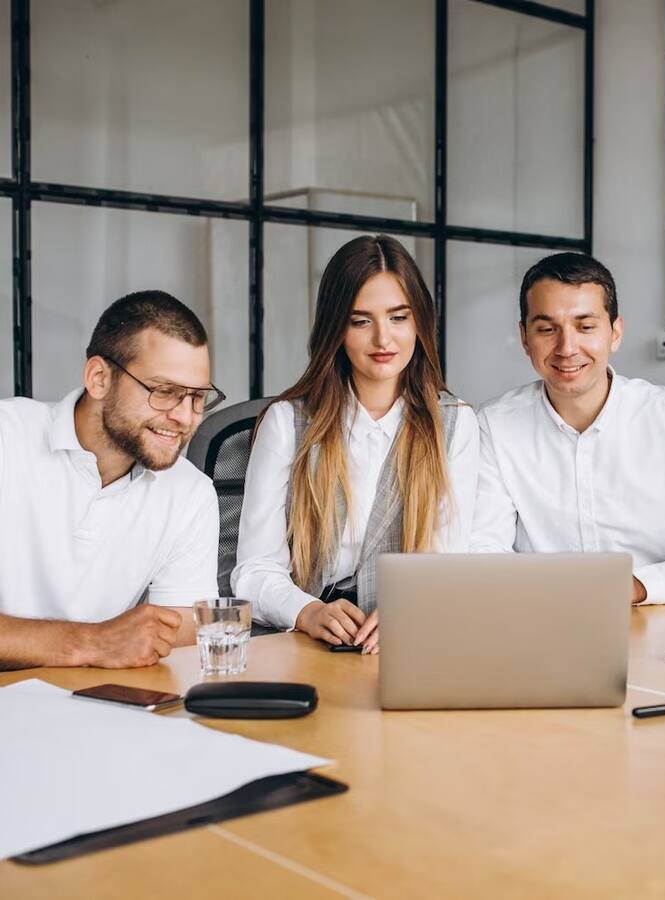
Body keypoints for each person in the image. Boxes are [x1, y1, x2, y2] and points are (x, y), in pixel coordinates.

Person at [233, 235, 478, 652]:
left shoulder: (454, 422)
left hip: (408, 640)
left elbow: (449, 559)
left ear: (419, 322)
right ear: (337, 330)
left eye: (399, 318)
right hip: (306, 640)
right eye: (360, 321)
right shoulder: (288, 423)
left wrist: (412, 608)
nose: (383, 339)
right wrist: (306, 611)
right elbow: (253, 570)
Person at [470, 252, 665, 604]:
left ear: (615, 333)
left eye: (585, 327)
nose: (566, 348)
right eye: (546, 329)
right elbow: (481, 554)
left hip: (659, 623)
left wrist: (628, 586)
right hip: (539, 622)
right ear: (525, 337)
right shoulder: (492, 425)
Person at [0, 291, 222, 669]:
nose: (186, 418)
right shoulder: (8, 438)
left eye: (198, 398)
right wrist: (91, 643)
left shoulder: (191, 493)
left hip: (94, 705)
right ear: (99, 378)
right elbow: (110, 645)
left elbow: (182, 633)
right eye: (164, 392)